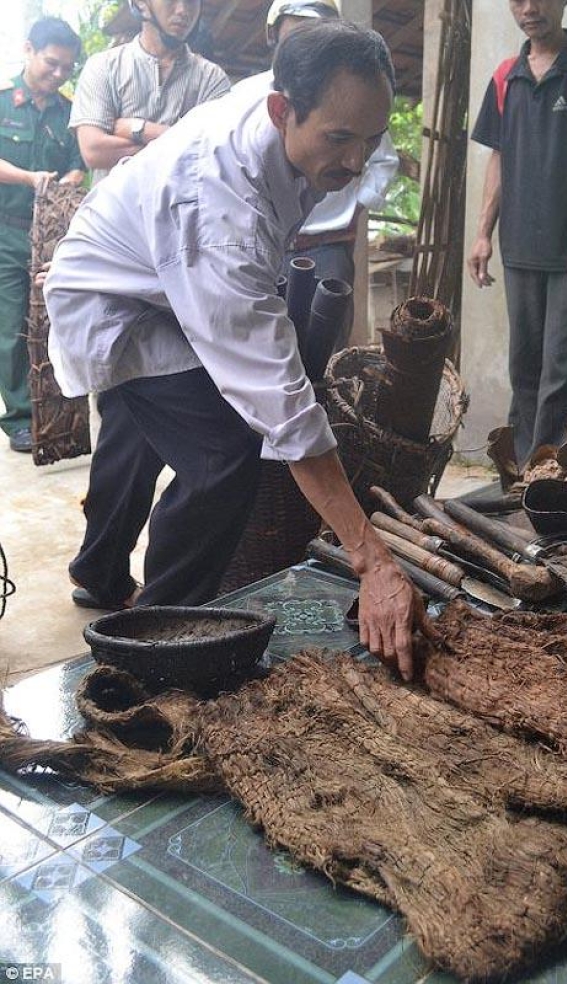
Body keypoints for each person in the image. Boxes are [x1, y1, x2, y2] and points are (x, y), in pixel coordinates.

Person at [44, 21, 425, 681]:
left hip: (162, 276)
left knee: (175, 446)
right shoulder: (222, 211)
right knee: (223, 460)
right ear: (284, 111)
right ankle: (153, 653)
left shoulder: (290, 103)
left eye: (372, 138)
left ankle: (136, 595)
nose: (357, 161)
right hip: (119, 303)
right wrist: (372, 559)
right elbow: (279, 407)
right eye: (339, 138)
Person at [467, 0, 567, 465]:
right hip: (519, 247)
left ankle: (547, 470)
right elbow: (499, 158)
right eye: (518, 1)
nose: (529, 9)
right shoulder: (505, 76)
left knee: (561, 371)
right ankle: (526, 470)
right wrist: (483, 233)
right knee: (524, 369)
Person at [232, 0, 399, 348]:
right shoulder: (246, 97)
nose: (355, 163)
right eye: (296, 34)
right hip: (266, 245)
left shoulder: (358, 97)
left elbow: (383, 161)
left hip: (326, 245)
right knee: (261, 342)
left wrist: (355, 208)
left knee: (323, 347)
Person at [0, 17, 86, 454]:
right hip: (5, 234)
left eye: (66, 69)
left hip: (51, 237)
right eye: (51, 64)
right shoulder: (1, 101)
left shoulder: (68, 112)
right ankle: (19, 418)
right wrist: (29, 178)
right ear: (29, 50)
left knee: (56, 318)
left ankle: (62, 411)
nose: (57, 74)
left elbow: (79, 162)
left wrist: (68, 181)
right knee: (11, 325)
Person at [70, 0, 230, 184]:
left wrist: (138, 129)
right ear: (140, 3)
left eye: (192, 2)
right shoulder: (103, 67)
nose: (183, 10)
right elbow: (94, 151)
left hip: (178, 212)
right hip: (114, 212)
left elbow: (213, 154)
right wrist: (182, 144)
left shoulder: (212, 79)